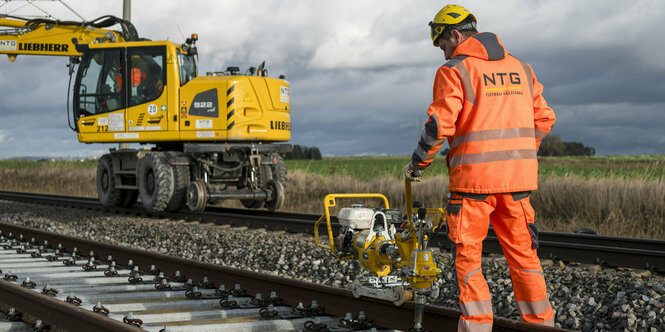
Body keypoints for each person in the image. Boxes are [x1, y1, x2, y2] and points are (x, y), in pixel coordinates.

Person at [403, 4, 556, 331]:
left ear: (455, 35)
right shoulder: (522, 69)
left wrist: (417, 164)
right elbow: (544, 118)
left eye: (443, 45)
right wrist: (519, 153)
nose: (444, 54)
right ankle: (542, 326)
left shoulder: (455, 71)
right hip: (517, 186)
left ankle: (476, 328)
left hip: (472, 189)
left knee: (469, 262)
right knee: (525, 260)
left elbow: (438, 127)